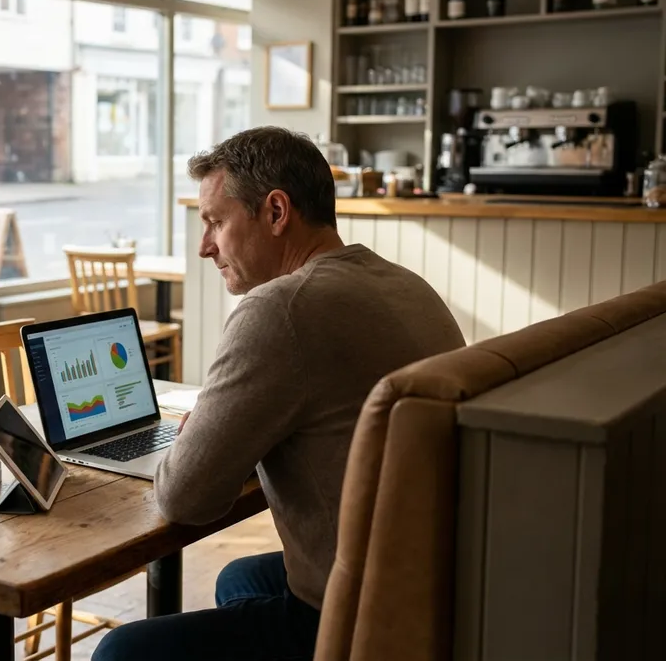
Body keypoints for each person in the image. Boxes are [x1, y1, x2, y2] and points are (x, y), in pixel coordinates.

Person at [92, 127, 465, 661]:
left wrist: (200, 428)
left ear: (275, 212)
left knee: (121, 652)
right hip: (431, 587)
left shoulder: (280, 310)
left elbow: (184, 498)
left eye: (216, 222)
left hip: (359, 619)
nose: (205, 247)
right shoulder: (406, 283)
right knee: (240, 577)